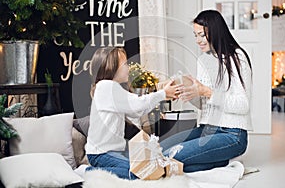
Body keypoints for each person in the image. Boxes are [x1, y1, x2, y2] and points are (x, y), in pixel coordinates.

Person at [160, 10, 253, 172]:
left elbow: (242, 105)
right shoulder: (202, 60)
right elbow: (204, 105)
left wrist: (207, 92)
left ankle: (221, 158)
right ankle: (220, 161)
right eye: (195, 35)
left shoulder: (237, 57)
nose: (198, 40)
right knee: (160, 149)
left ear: (216, 32)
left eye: (202, 35)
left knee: (170, 155)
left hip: (232, 135)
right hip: (206, 129)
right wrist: (187, 91)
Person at [85, 47, 182, 179]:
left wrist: (161, 94)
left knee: (149, 166)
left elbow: (137, 112)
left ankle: (98, 171)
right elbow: (137, 105)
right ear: (110, 67)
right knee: (142, 172)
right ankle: (91, 172)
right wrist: (163, 94)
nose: (128, 68)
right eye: (124, 64)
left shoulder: (110, 87)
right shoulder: (106, 86)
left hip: (112, 152)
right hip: (101, 155)